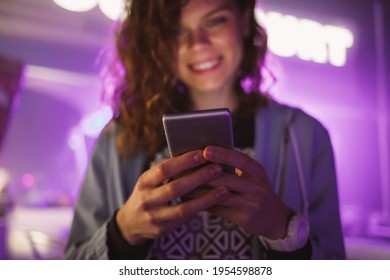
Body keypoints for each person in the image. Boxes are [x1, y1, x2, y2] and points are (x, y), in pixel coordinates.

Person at [64, 0, 346, 260]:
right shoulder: (118, 136)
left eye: (215, 21)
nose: (197, 43)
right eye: (176, 30)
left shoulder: (305, 135)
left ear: (245, 20)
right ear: (156, 41)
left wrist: (283, 229)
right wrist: (122, 232)